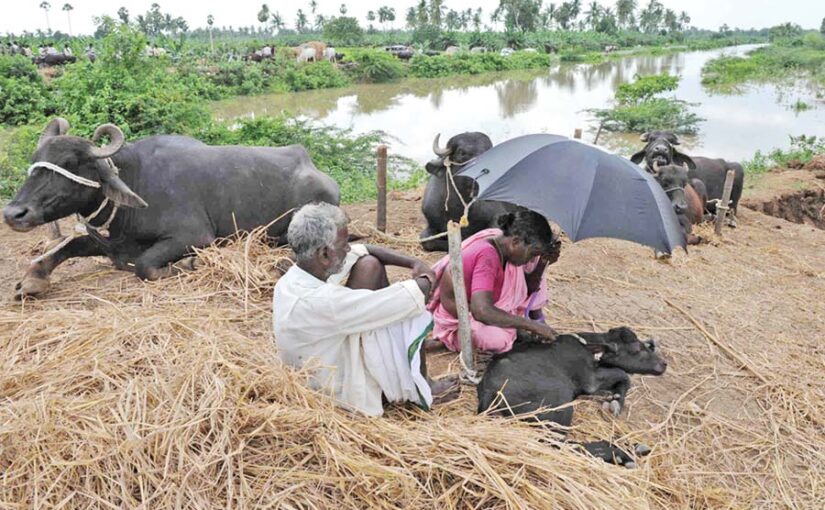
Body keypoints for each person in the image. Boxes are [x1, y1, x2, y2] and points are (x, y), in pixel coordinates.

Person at [273, 203, 460, 417]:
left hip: (327, 359)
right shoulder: (323, 302)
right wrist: (428, 276)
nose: (349, 249)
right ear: (324, 254)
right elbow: (410, 296)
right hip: (338, 395)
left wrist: (413, 262)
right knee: (406, 312)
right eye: (344, 244)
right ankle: (421, 387)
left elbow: (365, 250)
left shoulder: (294, 278)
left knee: (369, 264)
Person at [428, 210, 561, 354]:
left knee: (503, 331)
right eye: (532, 253)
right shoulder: (487, 255)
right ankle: (452, 339)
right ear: (515, 242)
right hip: (461, 317)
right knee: (495, 340)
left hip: (485, 308)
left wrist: (542, 262)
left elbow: (528, 290)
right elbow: (482, 311)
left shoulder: (505, 251)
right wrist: (531, 325)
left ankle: (511, 330)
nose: (530, 259)